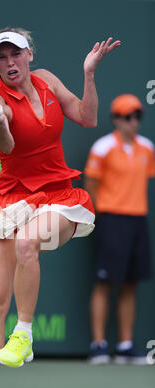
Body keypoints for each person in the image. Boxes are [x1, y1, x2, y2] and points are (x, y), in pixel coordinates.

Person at [0, 27, 120, 388]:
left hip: (59, 195)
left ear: (29, 55)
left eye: (15, 55)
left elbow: (88, 116)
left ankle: (23, 333)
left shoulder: (48, 80)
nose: (9, 63)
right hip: (11, 200)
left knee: (30, 241)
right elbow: (6, 148)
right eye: (2, 57)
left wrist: (90, 74)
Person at [84, 94, 155, 365]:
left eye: (137, 117)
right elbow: (91, 184)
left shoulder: (147, 148)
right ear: (116, 119)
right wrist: (100, 215)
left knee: (130, 283)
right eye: (127, 117)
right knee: (104, 282)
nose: (133, 122)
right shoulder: (102, 147)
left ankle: (125, 345)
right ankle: (98, 345)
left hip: (138, 220)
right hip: (111, 220)